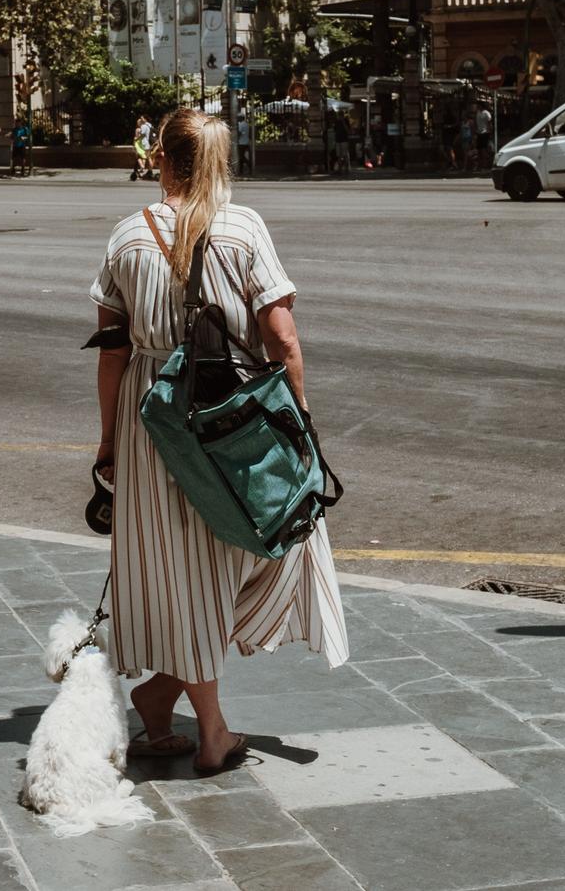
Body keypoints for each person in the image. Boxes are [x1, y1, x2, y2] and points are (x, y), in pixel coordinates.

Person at [89, 109, 348, 773]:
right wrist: (301, 422)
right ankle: (213, 733)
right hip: (230, 421)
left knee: (178, 575)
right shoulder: (242, 227)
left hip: (154, 424)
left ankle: (155, 696)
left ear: (161, 159)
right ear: (217, 161)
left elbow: (112, 355)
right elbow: (281, 336)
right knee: (275, 543)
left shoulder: (126, 236)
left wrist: (107, 444)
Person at [130, 114, 153, 182]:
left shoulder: (143, 126)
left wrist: (136, 139)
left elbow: (142, 135)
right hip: (148, 144)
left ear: (145, 119)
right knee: (148, 157)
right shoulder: (149, 125)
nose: (141, 119)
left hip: (143, 144)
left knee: (143, 157)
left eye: (142, 118)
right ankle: (149, 170)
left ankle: (147, 170)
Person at [234, 111, 254, 177]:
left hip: (241, 143)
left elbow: (239, 133)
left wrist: (235, 137)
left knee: (241, 157)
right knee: (241, 157)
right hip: (246, 142)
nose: (237, 119)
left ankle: (249, 166)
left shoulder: (240, 124)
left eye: (238, 118)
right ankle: (241, 170)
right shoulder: (246, 124)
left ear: (240, 118)